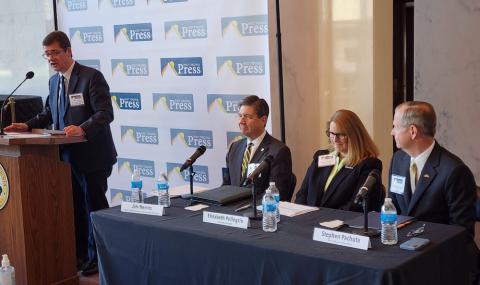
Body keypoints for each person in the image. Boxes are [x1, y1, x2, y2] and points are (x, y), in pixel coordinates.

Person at [5, 31, 117, 276]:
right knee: (73, 208)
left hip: (92, 157)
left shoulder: (91, 77)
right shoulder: (54, 82)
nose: (51, 58)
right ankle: (79, 255)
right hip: (65, 158)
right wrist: (27, 125)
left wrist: (82, 128)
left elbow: (105, 113)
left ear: (69, 51)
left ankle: (98, 259)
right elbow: (49, 114)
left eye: (55, 52)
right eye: (47, 54)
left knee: (93, 207)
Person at [388, 101, 477, 234]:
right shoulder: (398, 160)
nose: (392, 132)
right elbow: (392, 208)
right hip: (401, 246)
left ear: (413, 131)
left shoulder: (454, 171)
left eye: (395, 126)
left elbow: (461, 232)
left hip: (436, 250)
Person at [295, 110, 383, 212]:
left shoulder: (368, 164)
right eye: (332, 133)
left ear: (354, 136)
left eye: (340, 135)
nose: (335, 139)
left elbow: (356, 206)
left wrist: (322, 218)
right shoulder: (320, 156)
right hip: (308, 220)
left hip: (340, 223)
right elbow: (302, 194)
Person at [222, 95, 294, 201]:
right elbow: (226, 186)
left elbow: (276, 195)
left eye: (247, 117)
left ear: (263, 120)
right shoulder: (234, 147)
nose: (241, 121)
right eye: (240, 116)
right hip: (232, 213)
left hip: (259, 213)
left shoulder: (279, 151)